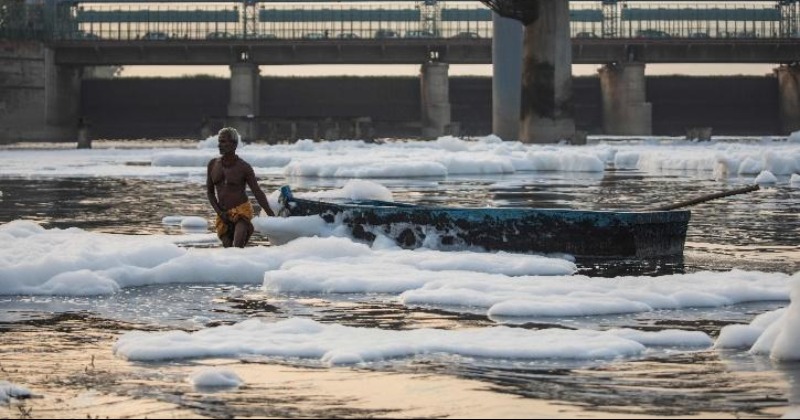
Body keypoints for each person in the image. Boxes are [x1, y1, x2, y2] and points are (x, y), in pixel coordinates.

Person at [207, 127, 274, 248]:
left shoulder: (244, 167)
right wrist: (220, 213)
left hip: (242, 211)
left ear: (234, 144)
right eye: (219, 142)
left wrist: (271, 214)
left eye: (223, 142)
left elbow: (257, 191)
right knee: (228, 248)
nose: (220, 145)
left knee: (237, 247)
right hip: (223, 214)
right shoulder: (212, 165)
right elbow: (210, 193)